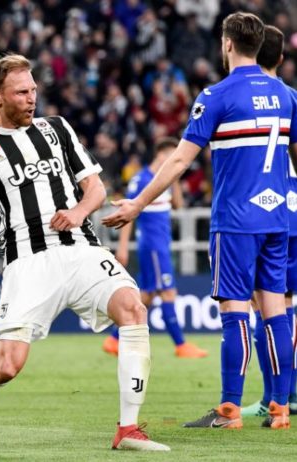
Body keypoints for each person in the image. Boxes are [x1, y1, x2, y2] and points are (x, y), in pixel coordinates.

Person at [0, 54, 170, 451]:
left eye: (34, 90)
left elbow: (95, 188)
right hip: (28, 263)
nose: (31, 98)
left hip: (81, 249)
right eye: (22, 92)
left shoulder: (56, 129)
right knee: (7, 366)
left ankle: (128, 428)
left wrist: (78, 213)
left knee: (133, 308)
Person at [102, 12, 297, 429]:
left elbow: (179, 161)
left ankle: (229, 409)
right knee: (276, 311)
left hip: (236, 221)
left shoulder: (217, 95)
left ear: (227, 44)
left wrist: (137, 204)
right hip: (277, 219)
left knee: (235, 310)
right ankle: (280, 408)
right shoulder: (287, 96)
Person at [103, 137, 207, 359]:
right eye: (172, 155)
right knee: (168, 291)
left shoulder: (163, 181)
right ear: (160, 155)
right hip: (153, 245)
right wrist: (123, 248)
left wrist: (174, 178)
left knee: (147, 295)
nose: (176, 159)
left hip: (160, 243)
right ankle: (181, 345)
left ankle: (114, 339)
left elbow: (178, 206)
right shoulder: (142, 180)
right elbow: (127, 213)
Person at [239, 25, 297, 418]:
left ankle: (273, 397)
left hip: (265, 215)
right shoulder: (291, 98)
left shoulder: (243, 96)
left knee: (267, 304)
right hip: (290, 212)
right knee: (283, 304)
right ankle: (288, 395)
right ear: (280, 58)